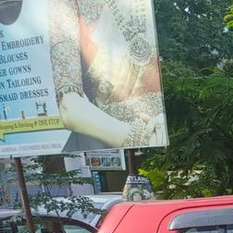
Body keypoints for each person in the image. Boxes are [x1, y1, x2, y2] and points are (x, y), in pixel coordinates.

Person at [49, 0, 166, 148]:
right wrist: (138, 137)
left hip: (171, 129)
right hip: (109, 139)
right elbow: (69, 107)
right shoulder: (67, 4)